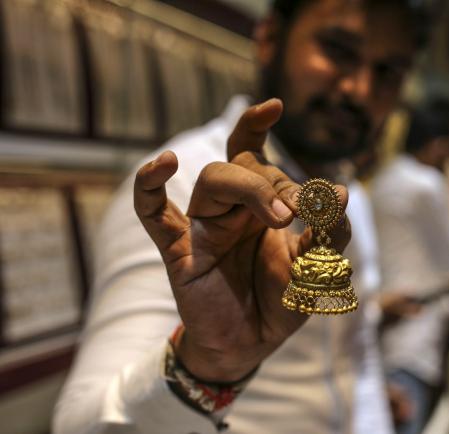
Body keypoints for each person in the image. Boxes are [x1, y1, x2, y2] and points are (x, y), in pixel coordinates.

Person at [53, 1, 427, 434]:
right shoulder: (183, 188)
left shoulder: (348, 196)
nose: (359, 89)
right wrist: (207, 367)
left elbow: (355, 362)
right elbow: (80, 424)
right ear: (269, 39)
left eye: (388, 72)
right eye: (339, 50)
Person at [370, 106, 449, 434]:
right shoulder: (425, 183)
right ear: (438, 144)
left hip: (386, 320)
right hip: (416, 321)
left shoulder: (385, 178)